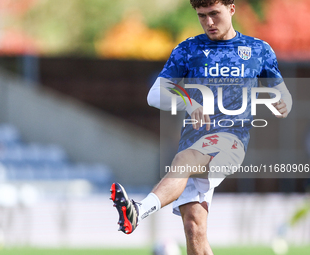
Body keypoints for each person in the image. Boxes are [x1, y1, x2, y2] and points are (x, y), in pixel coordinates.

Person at [110, 1, 293, 254]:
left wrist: (283, 104)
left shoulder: (257, 50)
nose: (208, 22)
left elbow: (282, 94)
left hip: (231, 141)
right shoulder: (188, 49)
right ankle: (138, 212)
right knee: (194, 230)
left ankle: (138, 211)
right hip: (193, 139)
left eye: (214, 14)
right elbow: (155, 94)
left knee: (185, 159)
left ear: (231, 8)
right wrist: (188, 100)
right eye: (202, 16)